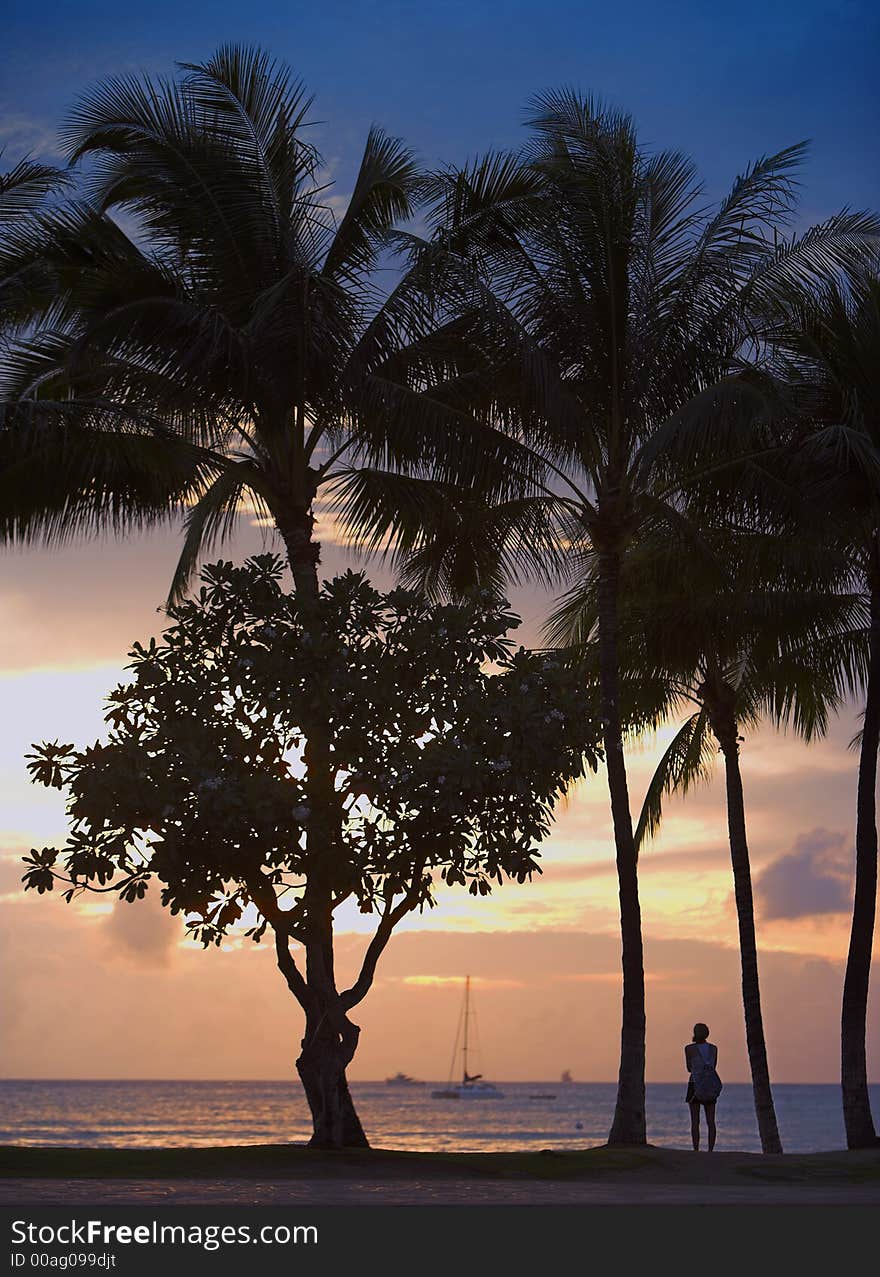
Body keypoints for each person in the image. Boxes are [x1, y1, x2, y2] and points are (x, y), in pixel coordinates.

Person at [685, 1022, 718, 1151]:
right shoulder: (714, 1048)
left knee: (695, 1120)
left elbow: (689, 1068)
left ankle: (696, 1149)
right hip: (709, 1083)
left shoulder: (689, 1049)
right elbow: (713, 1066)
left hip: (694, 1083)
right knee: (711, 1120)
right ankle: (710, 1149)